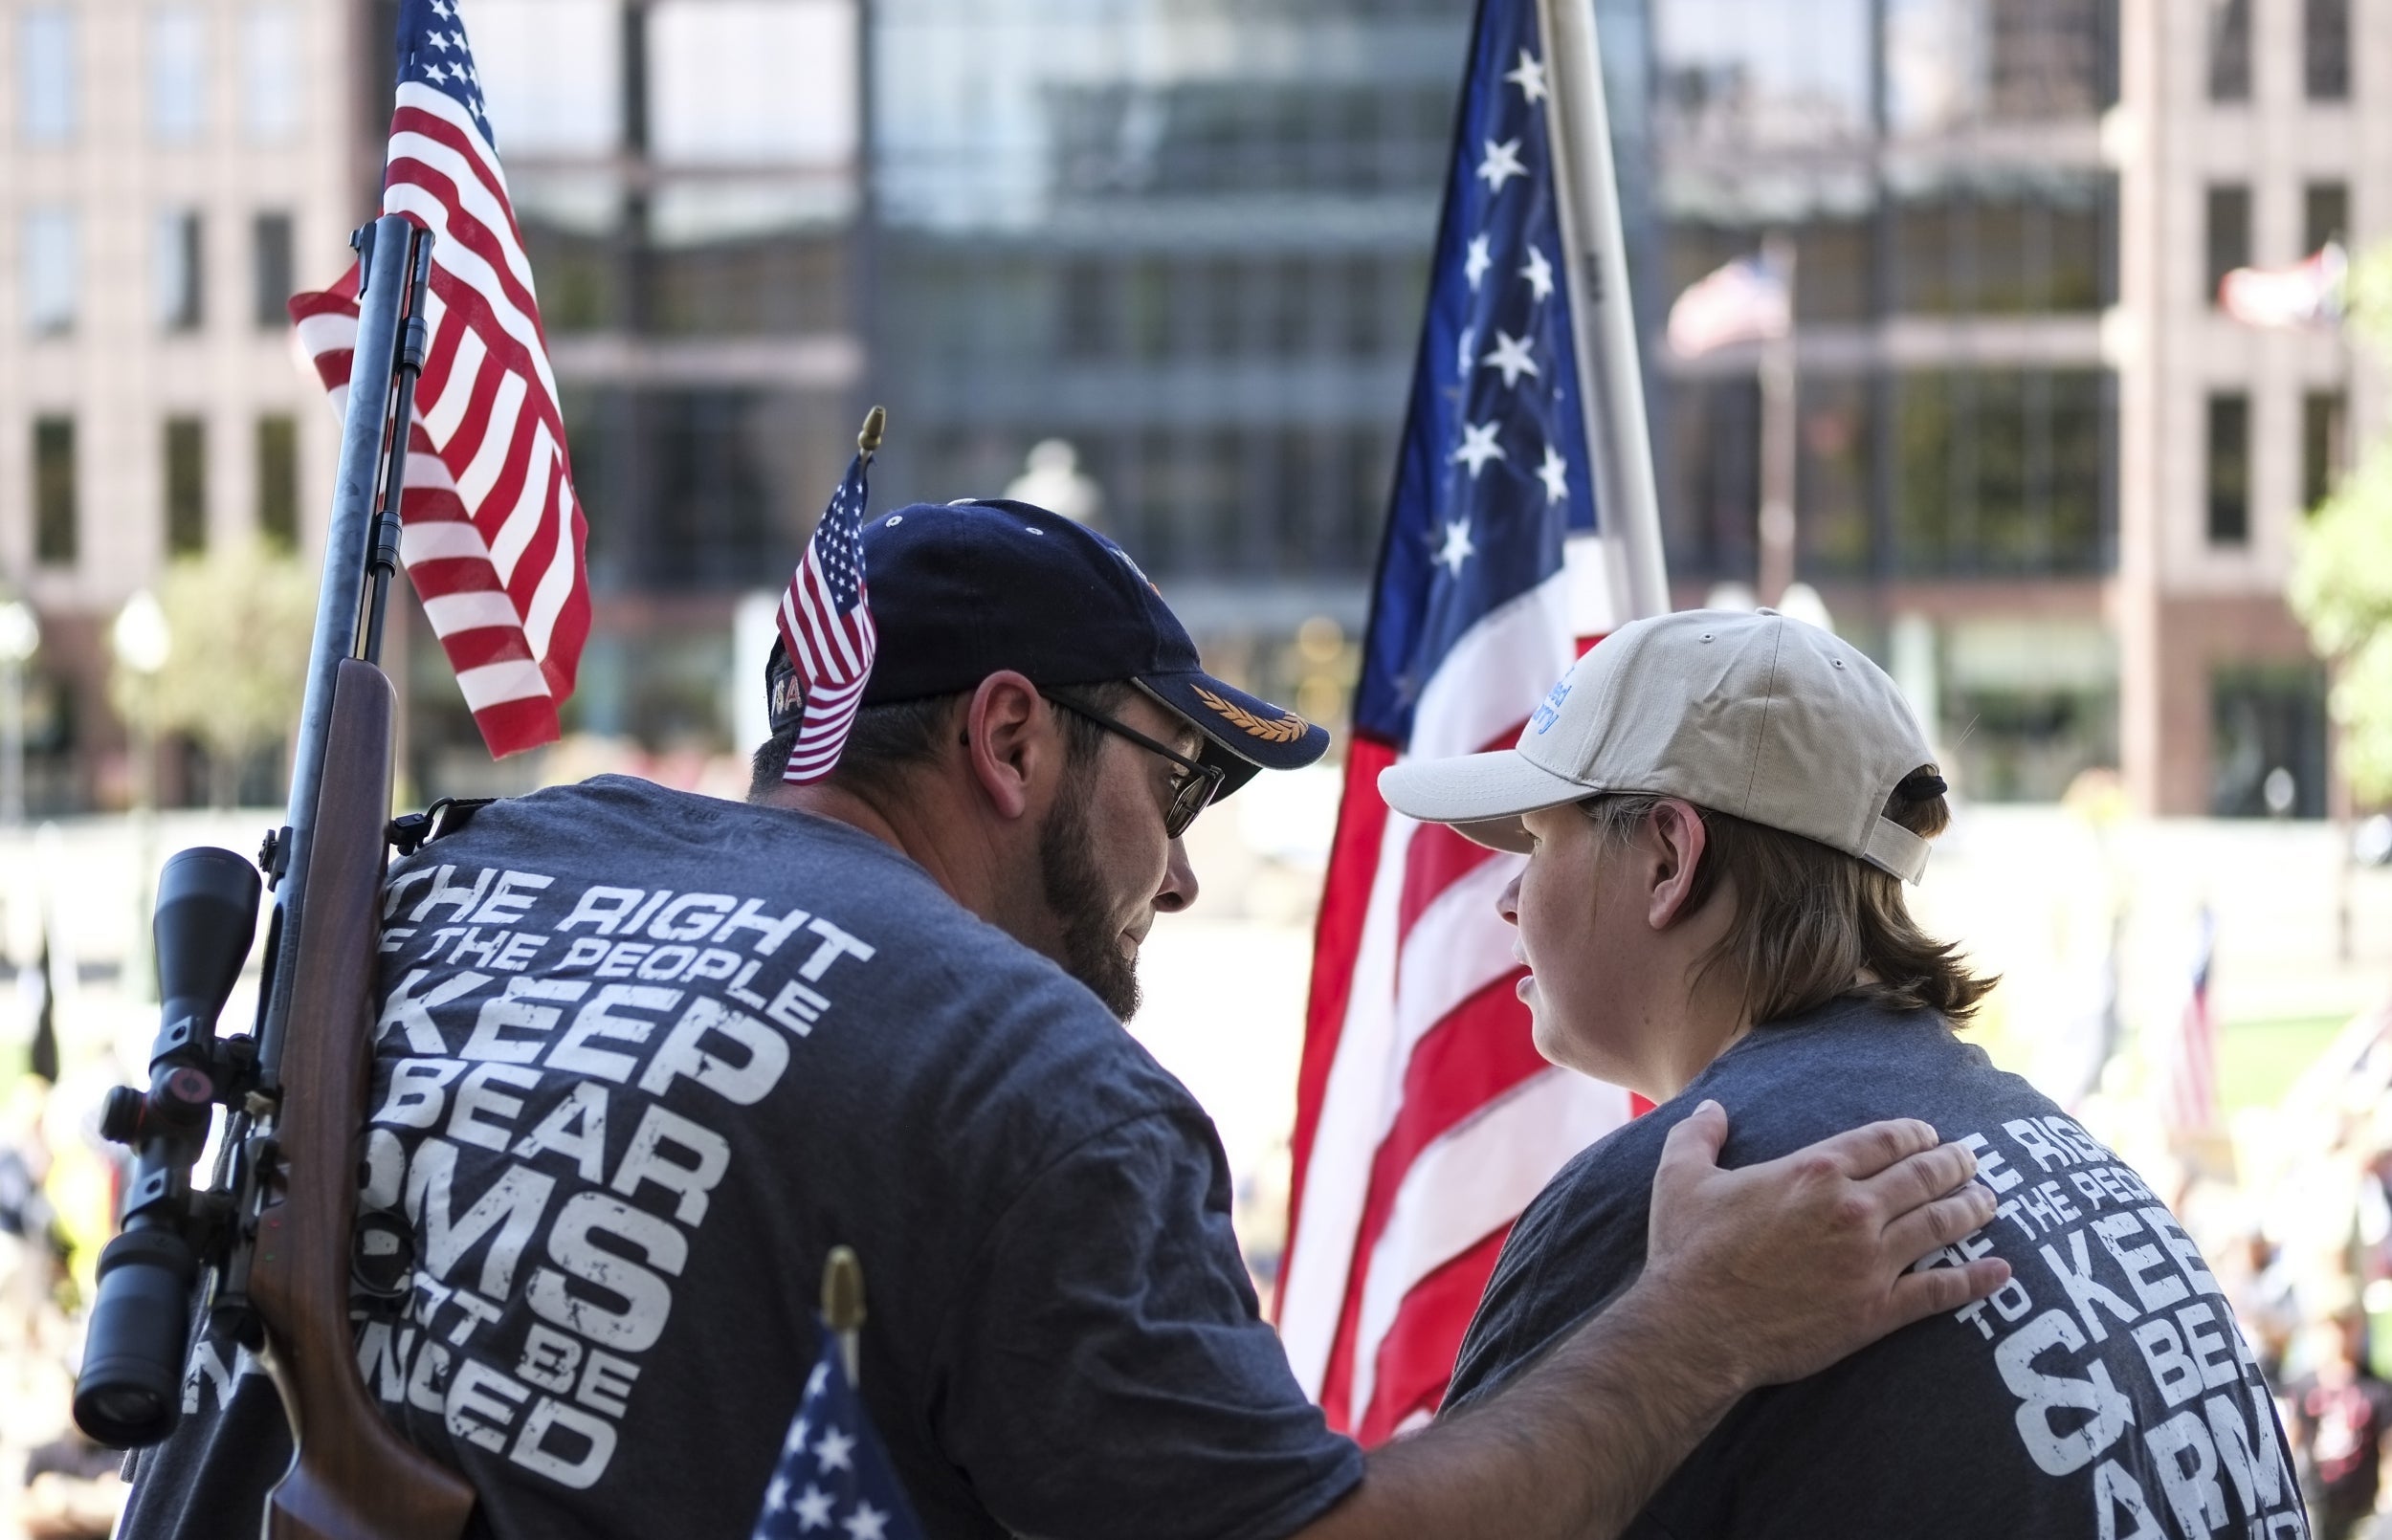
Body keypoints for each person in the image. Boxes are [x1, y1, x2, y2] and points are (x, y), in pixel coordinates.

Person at [120, 505, 2004, 1540]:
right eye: (1172, 788)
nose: (1177, 875)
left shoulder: (464, 874)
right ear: (1013, 738)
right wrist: (1701, 1318)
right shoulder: (1029, 1085)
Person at [1381, 605, 2310, 1539]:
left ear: (1668, 856)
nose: (1506, 898)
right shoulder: (2093, 1170)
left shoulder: (1678, 1198)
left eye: (1538, 841)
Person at [2288, 1309, 2392, 1540]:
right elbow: (2291, 1442)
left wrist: (2386, 1500)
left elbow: (2388, 1448)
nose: (2340, 1336)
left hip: (2362, 1505)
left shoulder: (2377, 1388)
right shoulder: (2304, 1385)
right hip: (2316, 1500)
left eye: (2348, 1326)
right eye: (2334, 1327)